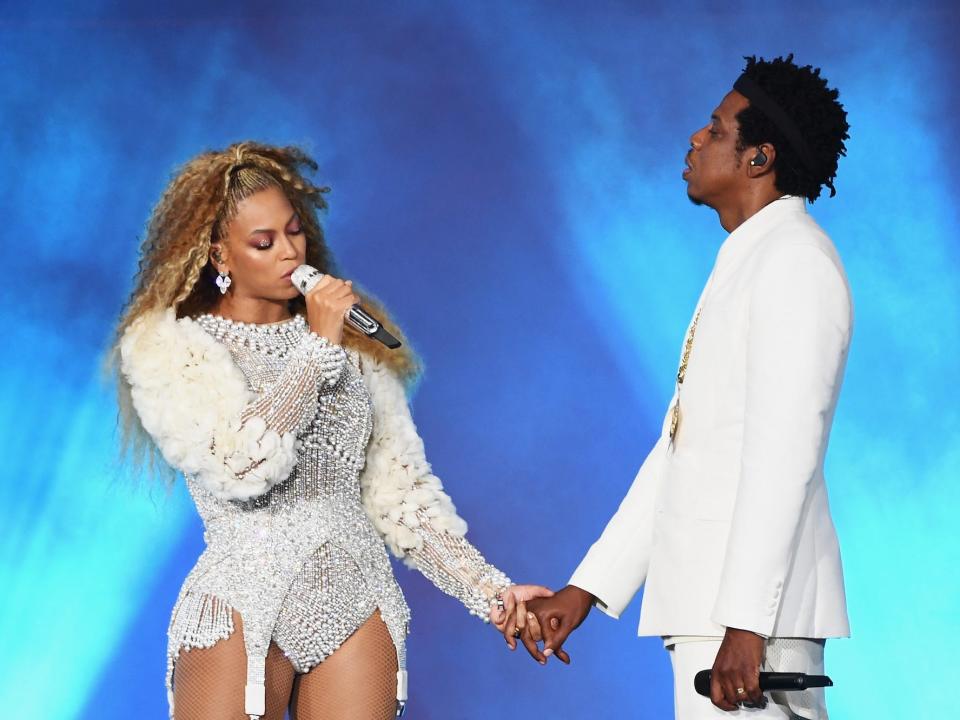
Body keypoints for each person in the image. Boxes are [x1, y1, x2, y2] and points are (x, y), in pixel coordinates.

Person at [111, 141, 549, 720]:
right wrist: (317, 347)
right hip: (243, 595)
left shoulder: (357, 346)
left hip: (355, 591)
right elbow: (240, 467)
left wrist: (492, 593)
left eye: (295, 232)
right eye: (263, 243)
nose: (290, 252)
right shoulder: (170, 344)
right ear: (220, 256)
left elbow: (401, 496)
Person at [508, 55, 852, 719]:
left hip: (749, 630)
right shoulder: (748, 258)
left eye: (717, 130)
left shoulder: (793, 262)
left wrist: (748, 623)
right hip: (716, 617)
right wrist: (586, 589)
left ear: (759, 158)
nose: (696, 138)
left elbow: (786, 454)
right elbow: (681, 451)